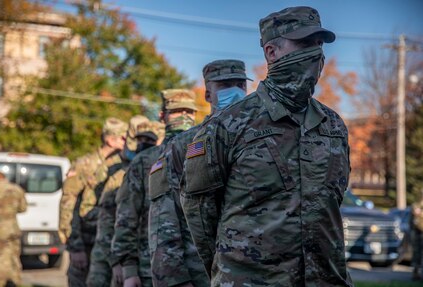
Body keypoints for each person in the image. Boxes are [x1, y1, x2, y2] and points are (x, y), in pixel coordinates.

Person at [182, 6, 353, 286]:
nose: (315, 54)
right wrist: (232, 269)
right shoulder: (227, 126)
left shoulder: (333, 126)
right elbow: (199, 214)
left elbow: (330, 206)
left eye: (318, 44)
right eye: (304, 44)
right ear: (271, 52)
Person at [148, 59, 250, 287]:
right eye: (224, 85)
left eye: (240, 84)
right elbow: (164, 219)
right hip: (201, 275)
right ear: (207, 94)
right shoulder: (185, 145)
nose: (234, 91)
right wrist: (173, 281)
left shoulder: (261, 137)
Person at [112, 89, 198, 287]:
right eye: (177, 112)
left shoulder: (207, 151)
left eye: (189, 112)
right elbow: (126, 216)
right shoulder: (144, 161)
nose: (184, 117)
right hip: (152, 269)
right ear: (162, 116)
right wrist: (128, 268)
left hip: (203, 270)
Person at [87, 116, 160, 287]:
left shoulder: (156, 170)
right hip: (118, 259)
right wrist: (117, 262)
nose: (143, 144)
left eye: (149, 140)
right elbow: (106, 223)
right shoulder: (119, 177)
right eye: (139, 139)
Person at [59, 117, 128, 287]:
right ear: (110, 140)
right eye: (123, 138)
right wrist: (75, 247)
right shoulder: (84, 164)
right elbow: (68, 204)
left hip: (108, 243)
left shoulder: (122, 165)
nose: (127, 142)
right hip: (86, 241)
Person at [0, 169, 27, 287]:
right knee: (14, 257)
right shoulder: (16, 189)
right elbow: (23, 208)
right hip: (13, 227)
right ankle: (15, 281)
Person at [411, 190, 423, 281]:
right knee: (417, 254)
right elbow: (415, 214)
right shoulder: (417, 205)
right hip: (418, 233)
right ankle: (416, 273)